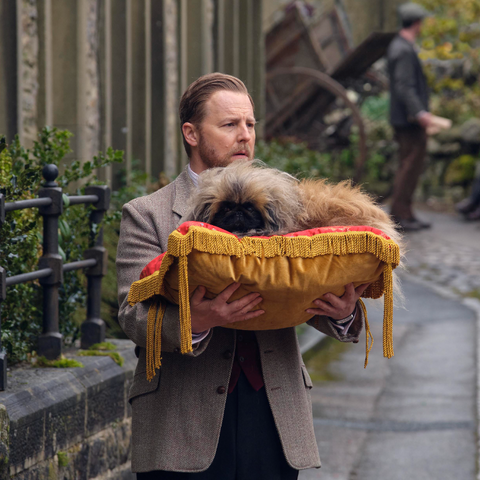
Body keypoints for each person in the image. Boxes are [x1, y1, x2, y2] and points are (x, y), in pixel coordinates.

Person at [116, 73, 369, 479]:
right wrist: (198, 321)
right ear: (192, 133)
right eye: (230, 125)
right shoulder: (147, 213)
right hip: (181, 420)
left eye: (250, 124)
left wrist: (341, 311)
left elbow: (305, 285)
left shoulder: (287, 202)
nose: (245, 136)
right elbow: (131, 315)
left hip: (275, 412)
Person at [387, 2, 432, 231]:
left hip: (406, 118)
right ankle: (400, 214)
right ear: (417, 23)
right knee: (409, 165)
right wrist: (420, 113)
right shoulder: (403, 49)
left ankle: (406, 212)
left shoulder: (401, 46)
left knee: (410, 165)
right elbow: (405, 86)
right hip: (408, 120)